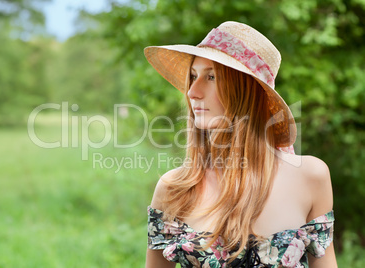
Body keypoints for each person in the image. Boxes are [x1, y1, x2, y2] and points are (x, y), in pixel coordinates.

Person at [143, 21, 336, 268]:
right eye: (193, 76)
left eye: (211, 76)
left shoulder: (310, 177)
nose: (193, 91)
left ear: (247, 90)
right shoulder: (174, 189)